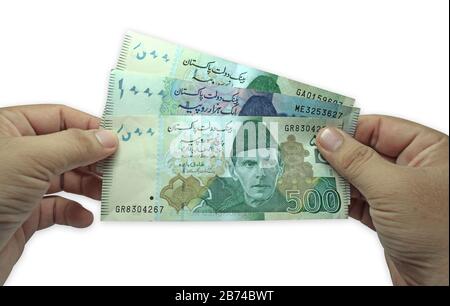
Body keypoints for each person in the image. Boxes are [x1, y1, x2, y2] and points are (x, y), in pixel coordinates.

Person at [0, 104, 448, 286]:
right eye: (248, 164)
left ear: (280, 165)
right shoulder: (210, 197)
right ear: (233, 168)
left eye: (266, 163)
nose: (258, 174)